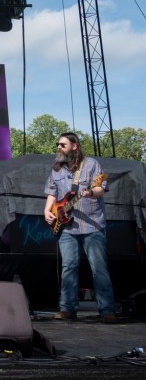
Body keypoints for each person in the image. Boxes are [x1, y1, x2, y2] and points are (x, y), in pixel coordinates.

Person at [43, 131, 118, 323]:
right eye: (58, 144)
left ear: (74, 146)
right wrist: (47, 210)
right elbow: (52, 192)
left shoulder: (91, 164)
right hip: (67, 228)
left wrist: (90, 192)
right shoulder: (56, 169)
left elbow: (100, 188)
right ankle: (67, 309)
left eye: (62, 144)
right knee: (68, 267)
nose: (59, 147)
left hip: (92, 225)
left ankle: (107, 310)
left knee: (99, 268)